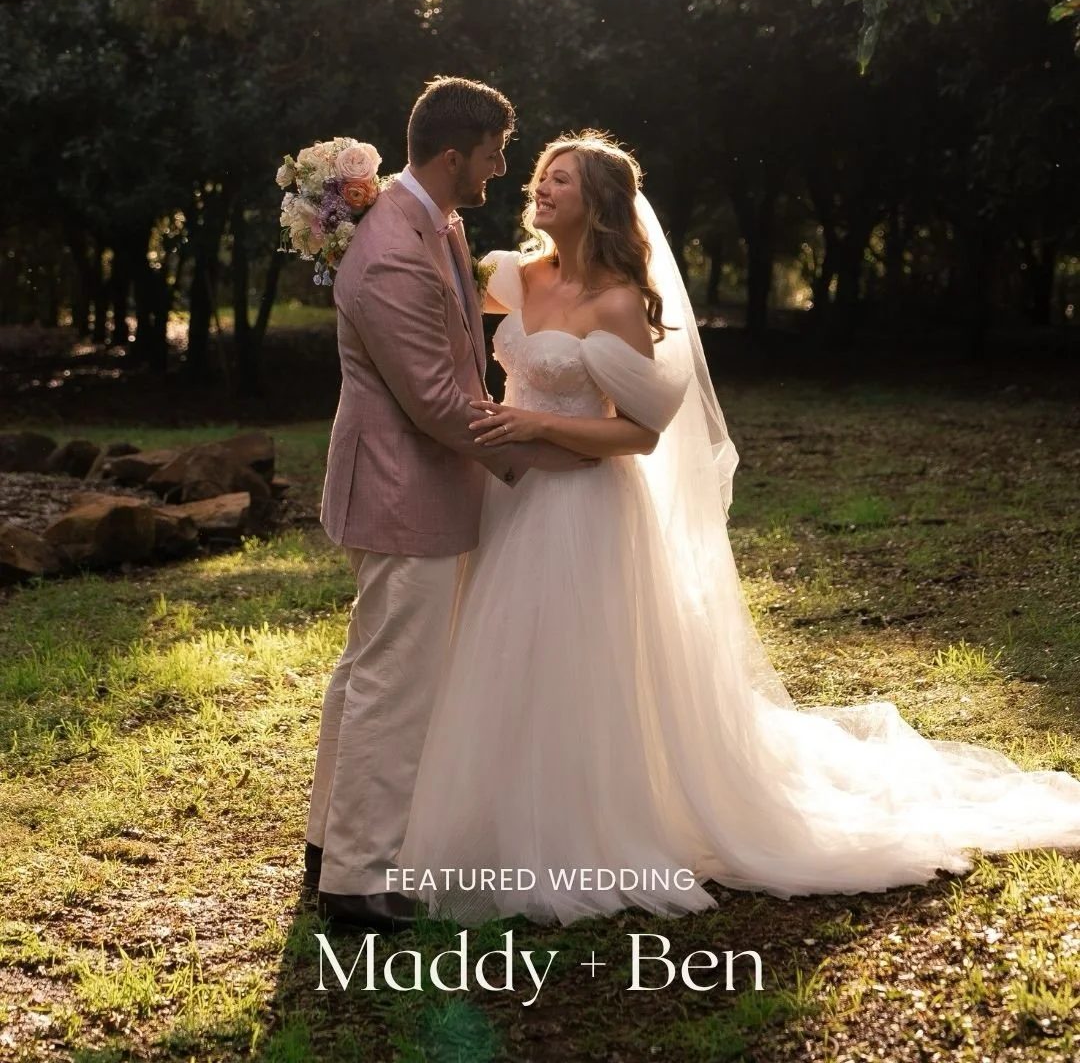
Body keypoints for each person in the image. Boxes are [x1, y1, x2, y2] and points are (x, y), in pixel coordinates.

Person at [398, 130, 1080, 925]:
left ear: (601, 204)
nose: (540, 190)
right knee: (497, 651)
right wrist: (352, 219)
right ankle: (490, 809)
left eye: (561, 181)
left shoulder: (618, 303)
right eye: (541, 179)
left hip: (581, 506)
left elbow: (638, 437)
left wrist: (529, 425)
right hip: (508, 496)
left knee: (570, 663)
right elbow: (427, 288)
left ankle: (576, 825)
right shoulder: (509, 274)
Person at [306, 78, 583, 931]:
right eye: (497, 155)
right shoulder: (392, 247)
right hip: (403, 488)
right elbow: (434, 400)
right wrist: (546, 458)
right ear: (455, 154)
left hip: (408, 484)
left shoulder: (435, 221)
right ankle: (356, 877)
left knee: (368, 666)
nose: (504, 171)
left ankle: (329, 842)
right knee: (397, 679)